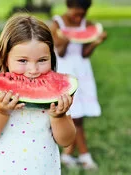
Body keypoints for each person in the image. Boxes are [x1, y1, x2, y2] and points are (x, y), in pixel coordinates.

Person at [0, 13, 76, 175]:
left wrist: (59, 117)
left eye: (42, 60)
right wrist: (0, 112)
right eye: (22, 61)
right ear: (5, 58)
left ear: (51, 58)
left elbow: (66, 141)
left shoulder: (56, 96)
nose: (33, 70)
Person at [49, 0, 107, 170]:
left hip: (82, 73)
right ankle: (84, 155)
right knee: (75, 117)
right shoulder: (57, 23)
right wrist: (66, 38)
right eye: (76, 13)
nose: (79, 17)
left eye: (83, 14)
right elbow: (60, 51)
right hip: (65, 73)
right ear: (69, 7)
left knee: (77, 116)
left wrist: (96, 41)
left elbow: (84, 53)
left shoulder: (86, 24)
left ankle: (67, 155)